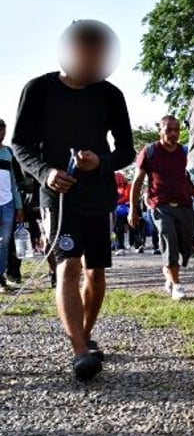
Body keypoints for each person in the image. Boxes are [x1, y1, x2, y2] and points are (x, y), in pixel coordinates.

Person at [12, 19, 134, 380]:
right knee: (69, 265)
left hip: (98, 194)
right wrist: (45, 172)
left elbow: (126, 150)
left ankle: (86, 334)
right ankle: (79, 350)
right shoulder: (38, 90)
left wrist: (101, 163)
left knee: (96, 272)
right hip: (58, 194)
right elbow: (20, 145)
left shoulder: (111, 95)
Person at [129, 115, 194, 301]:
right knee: (169, 241)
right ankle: (177, 285)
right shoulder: (150, 151)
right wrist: (132, 209)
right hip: (160, 206)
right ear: (159, 131)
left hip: (184, 205)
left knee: (186, 247)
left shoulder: (185, 152)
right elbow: (137, 182)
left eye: (176, 130)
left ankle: (169, 274)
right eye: (168, 130)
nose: (173, 134)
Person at [0, 120, 24, 290]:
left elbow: (14, 180)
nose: (1, 133)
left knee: (5, 242)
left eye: (3, 130)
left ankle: (1, 277)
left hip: (7, 202)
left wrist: (19, 205)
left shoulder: (8, 152)